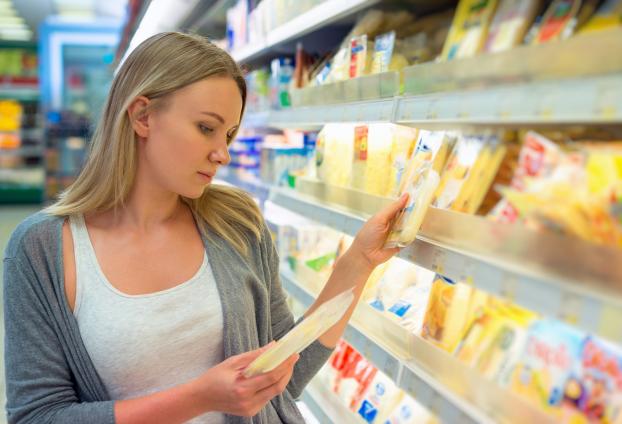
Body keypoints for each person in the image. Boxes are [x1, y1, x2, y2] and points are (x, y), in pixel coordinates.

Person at [3, 32, 407, 424]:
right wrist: (199, 397)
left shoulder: (236, 224)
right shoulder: (42, 249)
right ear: (143, 115)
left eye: (229, 134)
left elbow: (287, 376)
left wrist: (358, 262)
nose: (223, 153)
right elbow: (38, 414)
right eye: (206, 128)